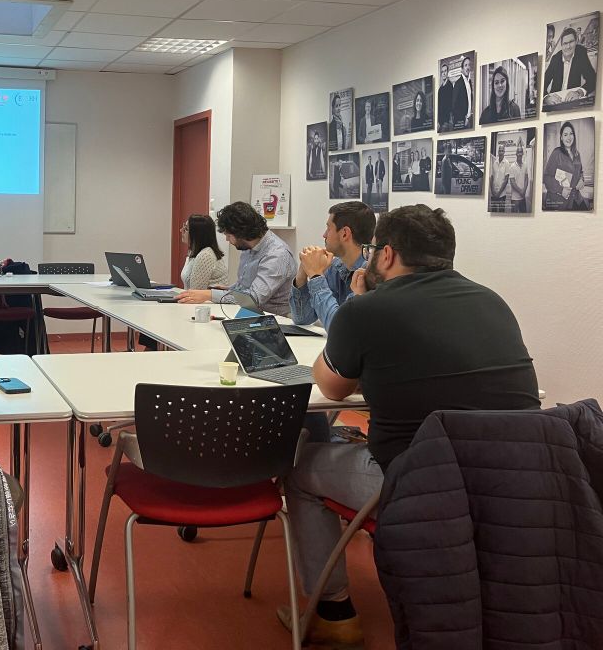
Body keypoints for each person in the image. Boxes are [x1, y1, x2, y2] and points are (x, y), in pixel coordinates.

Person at [279, 204, 540, 646]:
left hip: (417, 484)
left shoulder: (371, 310)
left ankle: (334, 611)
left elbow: (330, 385)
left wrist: (358, 314)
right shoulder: (493, 302)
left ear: (386, 255)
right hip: (515, 486)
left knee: (300, 468)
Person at [175, 201, 296, 315]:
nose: (227, 239)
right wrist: (230, 289)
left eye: (228, 235)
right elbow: (245, 286)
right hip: (247, 314)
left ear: (241, 234)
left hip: (275, 320)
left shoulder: (277, 255)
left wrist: (209, 295)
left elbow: (253, 298)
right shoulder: (248, 246)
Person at [290, 201, 374, 330]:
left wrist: (316, 276)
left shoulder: (369, 273)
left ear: (345, 233)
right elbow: (302, 319)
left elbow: (339, 328)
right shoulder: (335, 266)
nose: (324, 235)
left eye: (328, 228)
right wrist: (303, 271)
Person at [543, 26, 597, 106]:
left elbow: (592, 79)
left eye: (571, 42)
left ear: (576, 42)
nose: (568, 46)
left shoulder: (581, 53)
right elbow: (543, 83)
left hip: (572, 101)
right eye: (565, 43)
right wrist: (546, 98)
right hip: (555, 102)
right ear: (561, 45)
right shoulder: (555, 59)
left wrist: (579, 92)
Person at [543, 120, 589, 210]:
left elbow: (580, 172)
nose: (569, 137)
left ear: (574, 136)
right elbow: (547, 177)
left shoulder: (577, 154)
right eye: (565, 134)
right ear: (561, 138)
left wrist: (581, 180)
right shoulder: (557, 153)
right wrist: (561, 190)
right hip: (560, 200)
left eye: (571, 134)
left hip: (575, 197)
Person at [179, 213, 226, 290]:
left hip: (209, 302)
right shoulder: (193, 253)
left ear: (198, 234)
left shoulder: (206, 255)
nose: (181, 230)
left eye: (186, 229)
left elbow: (195, 291)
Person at [452, 55, 474, 130]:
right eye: (465, 65)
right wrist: (463, 119)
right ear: (462, 69)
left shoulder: (469, 82)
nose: (468, 67)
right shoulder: (458, 83)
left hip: (469, 120)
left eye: (469, 65)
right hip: (460, 122)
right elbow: (454, 105)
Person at [489, 141, 511, 212]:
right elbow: (492, 177)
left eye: (502, 151)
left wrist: (499, 193)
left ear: (504, 152)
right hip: (493, 193)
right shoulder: (495, 162)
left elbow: (506, 179)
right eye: (499, 150)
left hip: (502, 194)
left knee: (501, 212)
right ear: (498, 152)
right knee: (493, 212)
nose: (501, 152)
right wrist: (492, 191)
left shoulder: (506, 163)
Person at [508, 142, 530, 213]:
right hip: (515, 198)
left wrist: (524, 191)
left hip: (523, 197)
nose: (519, 154)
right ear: (516, 153)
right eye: (518, 152)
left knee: (524, 217)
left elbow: (527, 179)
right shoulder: (512, 167)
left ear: (523, 153)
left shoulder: (525, 165)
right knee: (513, 218)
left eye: (521, 152)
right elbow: (512, 182)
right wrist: (521, 191)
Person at [437, 62, 454, 131]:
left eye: (445, 71)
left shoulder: (450, 86)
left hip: (446, 121)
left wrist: (447, 121)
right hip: (440, 121)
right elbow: (439, 105)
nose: (443, 73)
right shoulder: (440, 88)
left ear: (447, 72)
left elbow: (450, 104)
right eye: (442, 72)